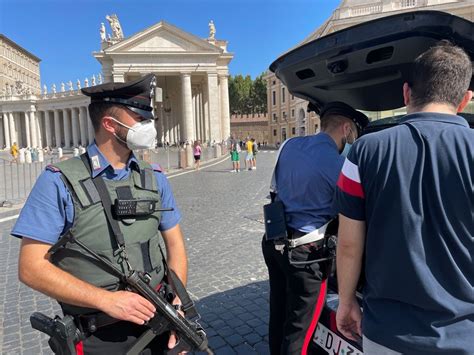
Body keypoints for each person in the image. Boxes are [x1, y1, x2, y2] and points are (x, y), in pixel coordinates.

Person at [12, 74, 188, 354]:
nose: (148, 126)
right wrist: (106, 300)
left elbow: (175, 243)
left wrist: (178, 304)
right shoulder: (57, 182)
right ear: (109, 124)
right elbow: (30, 267)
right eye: (139, 118)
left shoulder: (155, 178)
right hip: (99, 336)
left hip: (159, 320)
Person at [334, 42, 473, 354]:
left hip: (386, 333)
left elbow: (348, 245)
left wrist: (345, 303)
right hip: (465, 337)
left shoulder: (364, 152)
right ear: (465, 99)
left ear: (407, 94)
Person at [262, 102, 369, 355]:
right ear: (346, 129)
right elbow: (356, 211)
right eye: (353, 132)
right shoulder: (338, 165)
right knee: (299, 332)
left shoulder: (290, 146)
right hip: (306, 257)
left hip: (274, 244)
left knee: (278, 315)